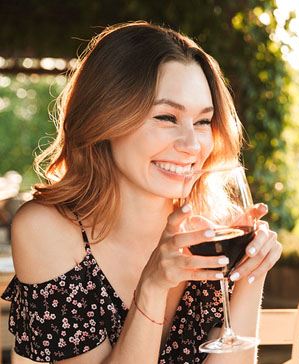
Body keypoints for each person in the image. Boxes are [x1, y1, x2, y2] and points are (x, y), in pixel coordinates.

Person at [2, 22, 282, 363]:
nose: (192, 145)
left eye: (202, 121)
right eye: (166, 117)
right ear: (105, 118)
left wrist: (252, 273)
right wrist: (152, 287)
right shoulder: (47, 231)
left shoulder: (214, 228)